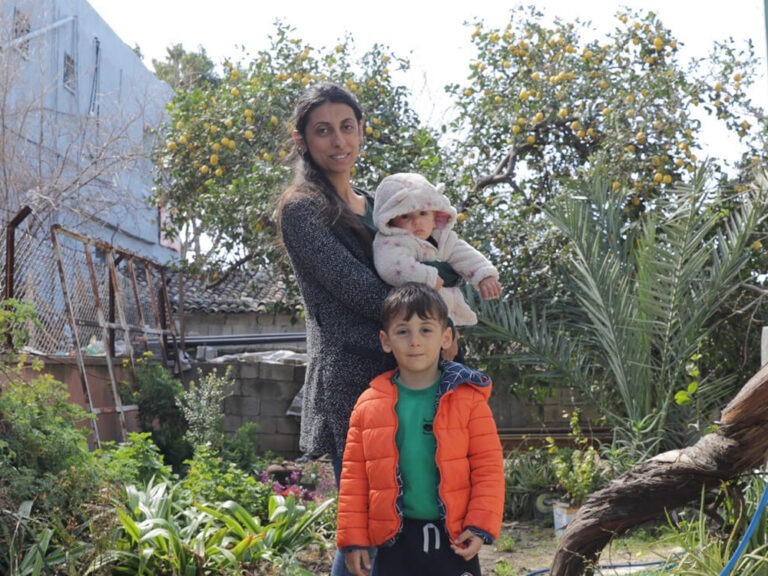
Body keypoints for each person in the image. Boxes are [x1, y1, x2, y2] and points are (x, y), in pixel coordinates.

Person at [277, 82, 411, 576]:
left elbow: (426, 257)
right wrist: (430, 320)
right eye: (324, 131)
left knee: (412, 508)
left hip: (408, 368)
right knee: (366, 521)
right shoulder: (302, 209)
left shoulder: (380, 205)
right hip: (353, 379)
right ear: (302, 141)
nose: (338, 142)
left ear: (362, 132)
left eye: (347, 128)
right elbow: (356, 288)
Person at [336, 282, 505, 576]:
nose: (415, 341)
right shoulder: (368, 404)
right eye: (403, 331)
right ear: (386, 340)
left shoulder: (469, 401)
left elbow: (488, 469)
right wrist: (353, 541)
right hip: (394, 543)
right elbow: (354, 480)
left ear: (446, 337)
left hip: (454, 539)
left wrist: (479, 525)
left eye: (426, 330)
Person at [372, 172, 502, 327]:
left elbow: (463, 254)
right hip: (412, 318)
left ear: (435, 216)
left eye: (423, 213)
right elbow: (391, 267)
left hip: (447, 316)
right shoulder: (392, 241)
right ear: (391, 220)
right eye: (405, 216)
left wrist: (484, 275)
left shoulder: (442, 239)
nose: (416, 221)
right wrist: (429, 278)